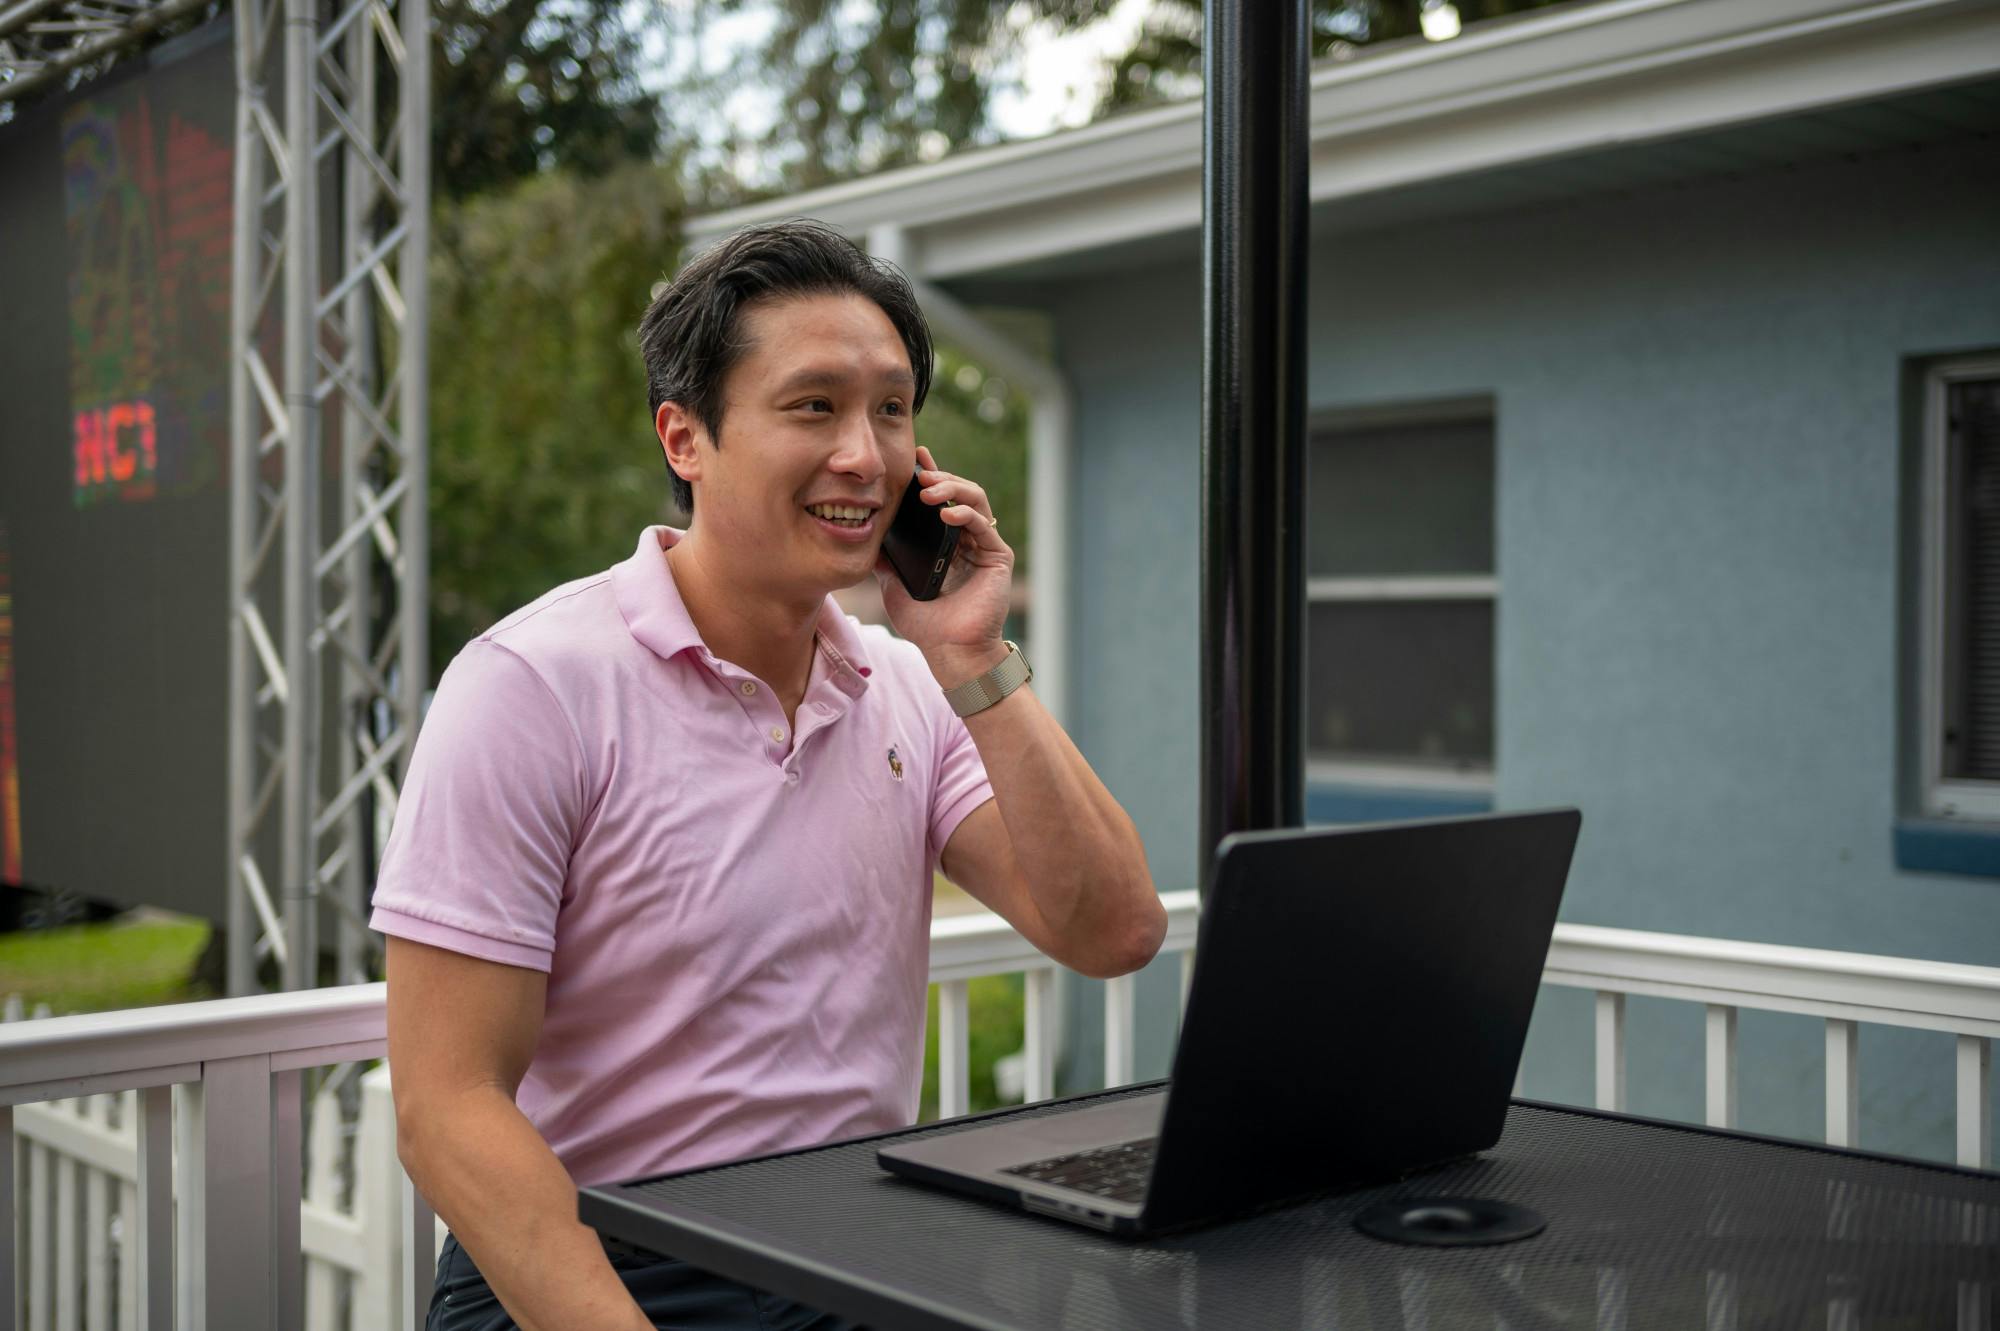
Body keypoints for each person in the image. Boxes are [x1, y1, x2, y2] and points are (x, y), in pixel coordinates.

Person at [372, 220, 1165, 1331]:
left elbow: (1114, 929)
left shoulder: (910, 682)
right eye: (814, 406)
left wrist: (976, 656)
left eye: (892, 409)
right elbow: (447, 1105)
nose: (865, 455)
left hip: (845, 1260)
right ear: (684, 437)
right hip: (602, 1270)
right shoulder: (530, 686)